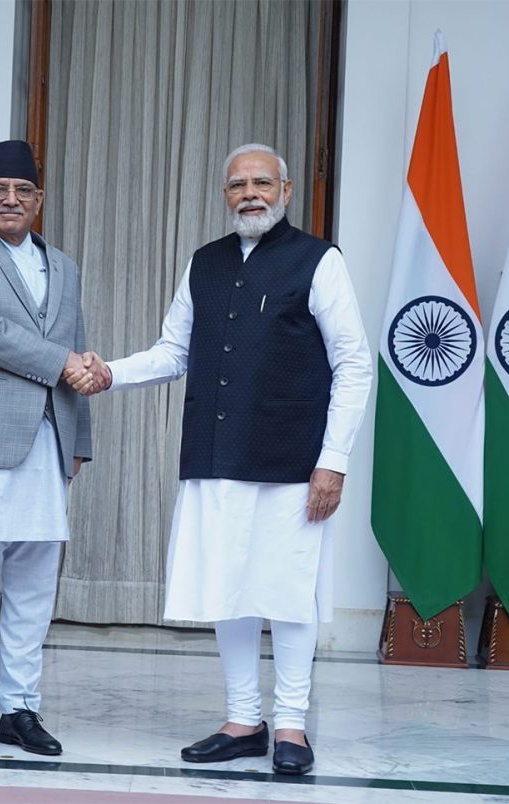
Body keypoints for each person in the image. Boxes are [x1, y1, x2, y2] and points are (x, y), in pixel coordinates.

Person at [68, 143, 372, 776]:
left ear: (286, 191)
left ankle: (291, 725)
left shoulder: (320, 260)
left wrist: (334, 459)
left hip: (294, 460)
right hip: (215, 452)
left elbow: (353, 363)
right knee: (227, 587)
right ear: (226, 194)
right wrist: (109, 373)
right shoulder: (203, 263)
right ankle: (243, 721)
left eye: (263, 182)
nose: (250, 194)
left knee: (288, 593)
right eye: (238, 185)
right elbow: (172, 352)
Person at [0, 140, 103, 758]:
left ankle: (20, 708)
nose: (11, 199)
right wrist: (63, 362)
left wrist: (79, 439)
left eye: (22, 190)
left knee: (33, 584)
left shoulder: (64, 265)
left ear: (38, 199)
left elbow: (77, 343)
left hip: (49, 442)